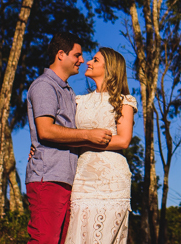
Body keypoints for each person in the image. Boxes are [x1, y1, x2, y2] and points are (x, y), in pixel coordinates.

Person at [26, 32, 113, 244]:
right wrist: (89, 136)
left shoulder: (68, 91)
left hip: (66, 179)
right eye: (78, 55)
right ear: (60, 55)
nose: (82, 60)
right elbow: (46, 130)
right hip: (48, 178)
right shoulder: (45, 86)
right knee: (44, 240)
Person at [63, 46, 137, 244]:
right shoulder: (78, 101)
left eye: (95, 60)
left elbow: (123, 140)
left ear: (110, 68)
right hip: (81, 179)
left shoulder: (124, 101)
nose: (88, 62)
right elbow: (63, 133)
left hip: (112, 181)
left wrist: (87, 139)